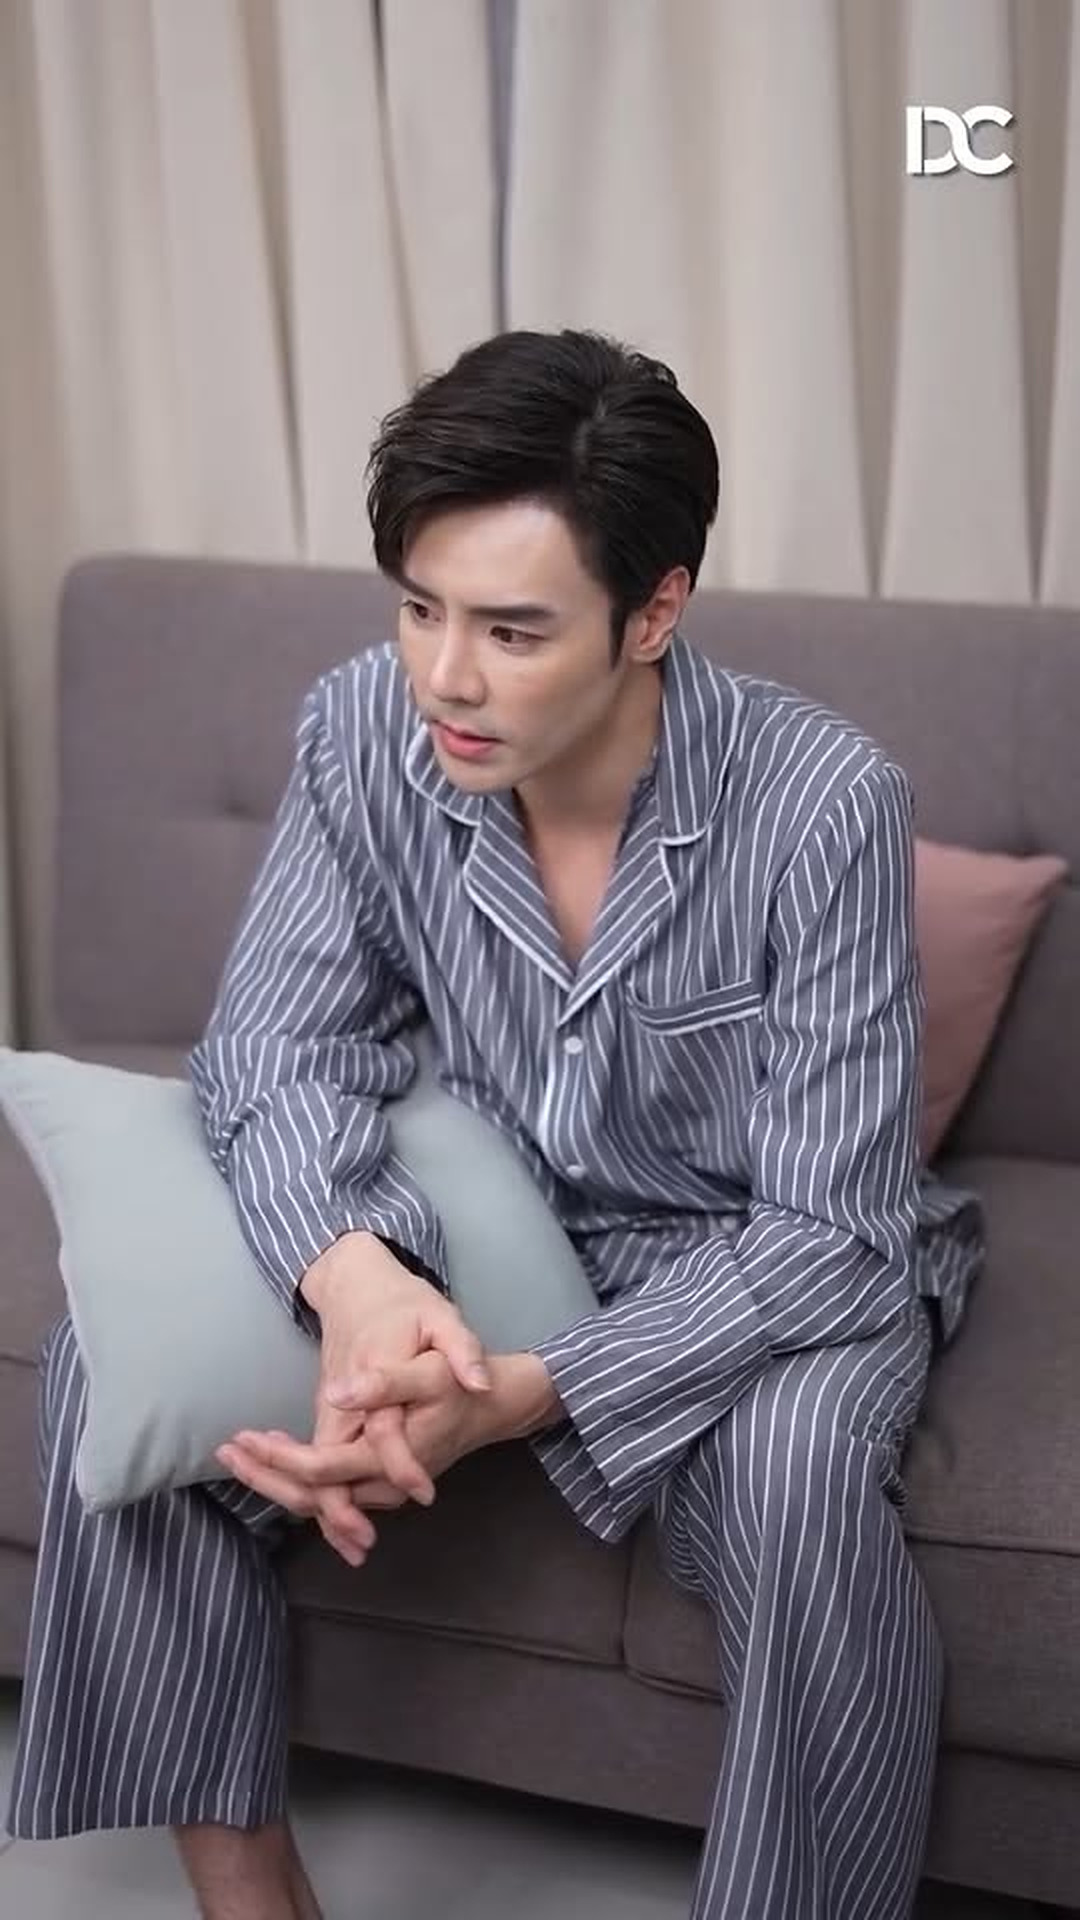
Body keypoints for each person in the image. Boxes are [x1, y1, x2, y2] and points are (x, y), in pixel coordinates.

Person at [7, 329, 981, 1919]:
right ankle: (251, 1900)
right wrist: (357, 1281)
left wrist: (528, 1392)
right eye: (420, 608)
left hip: (747, 1259)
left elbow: (833, 1232)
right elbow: (275, 1048)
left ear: (653, 612)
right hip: (487, 1217)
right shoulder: (361, 731)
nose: (445, 677)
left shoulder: (823, 804)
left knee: (804, 1470)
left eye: (513, 630)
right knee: (118, 1359)